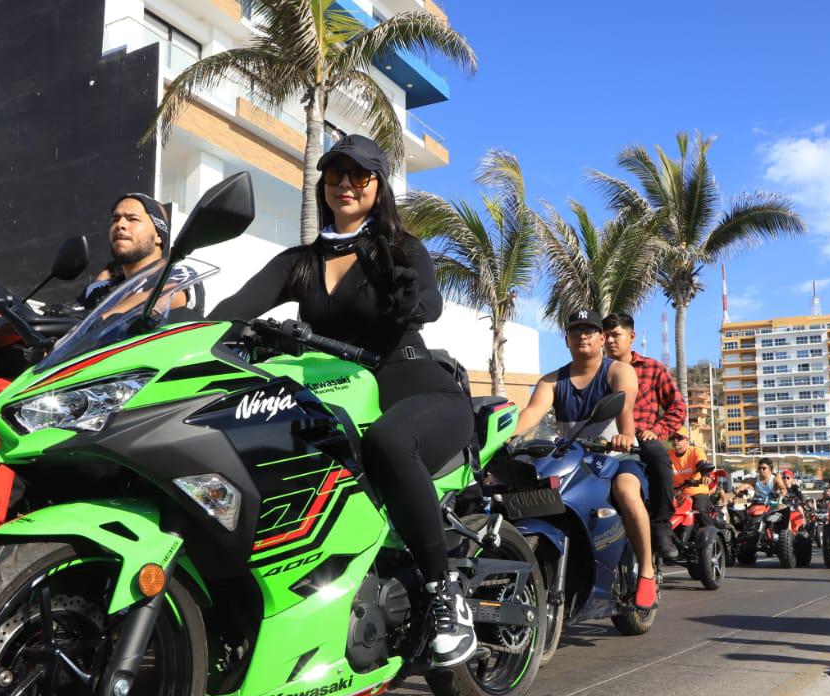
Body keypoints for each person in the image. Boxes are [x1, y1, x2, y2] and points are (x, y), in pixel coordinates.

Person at [209, 135, 477, 667]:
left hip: (417, 386)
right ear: (323, 184)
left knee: (389, 439)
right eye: (336, 174)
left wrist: (411, 301)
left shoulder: (399, 248)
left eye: (361, 175)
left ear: (379, 186)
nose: (347, 185)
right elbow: (228, 312)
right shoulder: (300, 263)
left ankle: (446, 594)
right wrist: (176, 328)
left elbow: (429, 300)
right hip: (340, 395)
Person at [515, 309, 658, 609]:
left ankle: (646, 571)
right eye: (576, 331)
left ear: (602, 338)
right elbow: (530, 415)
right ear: (566, 339)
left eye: (590, 331)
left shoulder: (618, 371)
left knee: (627, 492)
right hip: (572, 461)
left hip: (616, 457)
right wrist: (499, 438)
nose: (583, 336)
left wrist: (624, 437)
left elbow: (625, 408)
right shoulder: (551, 381)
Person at [602, 312, 687, 562]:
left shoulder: (652, 368)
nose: (610, 341)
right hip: (602, 441)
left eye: (616, 335)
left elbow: (678, 407)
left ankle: (661, 527)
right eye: (605, 336)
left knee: (658, 454)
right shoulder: (596, 370)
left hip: (641, 439)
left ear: (632, 336)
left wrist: (657, 431)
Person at [669, 432, 713, 515]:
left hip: (697, 491)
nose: (675, 440)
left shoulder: (696, 451)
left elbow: (702, 464)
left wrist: (706, 475)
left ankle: (710, 527)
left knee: (700, 512)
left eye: (679, 437)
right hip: (678, 494)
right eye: (673, 438)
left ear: (687, 440)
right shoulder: (668, 454)